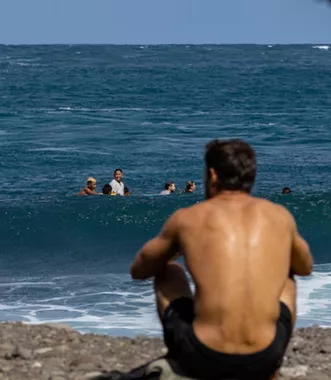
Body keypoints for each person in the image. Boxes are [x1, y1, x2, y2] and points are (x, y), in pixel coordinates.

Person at [129, 139, 313, 380]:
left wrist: (180, 246)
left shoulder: (187, 218)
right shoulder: (279, 216)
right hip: (263, 358)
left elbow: (140, 270)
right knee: (288, 278)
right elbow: (305, 267)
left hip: (204, 358)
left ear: (212, 175)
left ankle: (181, 363)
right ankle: (273, 372)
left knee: (169, 272)